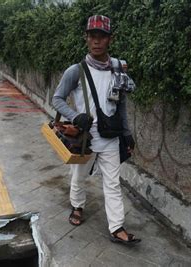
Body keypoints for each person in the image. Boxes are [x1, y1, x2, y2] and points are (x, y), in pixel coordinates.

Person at [52, 15, 139, 245]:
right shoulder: (75, 71)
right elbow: (57, 99)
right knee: (79, 177)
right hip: (85, 139)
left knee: (112, 182)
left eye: (102, 36)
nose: (97, 41)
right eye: (93, 36)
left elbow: (120, 103)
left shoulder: (117, 69)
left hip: (110, 137)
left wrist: (127, 133)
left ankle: (116, 226)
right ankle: (77, 206)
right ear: (86, 38)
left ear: (110, 39)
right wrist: (74, 115)